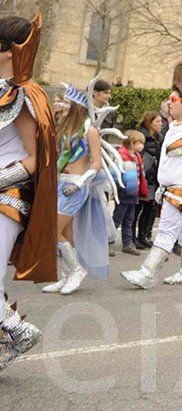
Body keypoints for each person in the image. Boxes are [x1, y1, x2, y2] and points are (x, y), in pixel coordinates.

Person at [0, 13, 57, 369]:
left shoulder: (23, 94)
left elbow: (36, 159)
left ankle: (15, 329)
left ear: (9, 52)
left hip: (9, 198)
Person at [120, 86, 182, 289]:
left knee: (165, 232)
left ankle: (147, 273)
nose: (169, 102)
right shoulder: (174, 128)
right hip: (171, 189)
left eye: (173, 99)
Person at [44, 83, 108, 295]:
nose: (63, 105)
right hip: (60, 183)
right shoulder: (63, 128)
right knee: (65, 233)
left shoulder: (90, 130)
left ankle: (76, 269)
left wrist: (79, 184)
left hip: (76, 186)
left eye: (68, 103)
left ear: (78, 107)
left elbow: (96, 163)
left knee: (52, 229)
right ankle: (66, 277)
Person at [113, 130, 146, 255]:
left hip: (133, 193)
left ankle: (127, 243)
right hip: (124, 192)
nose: (142, 146)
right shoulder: (121, 156)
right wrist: (121, 186)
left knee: (129, 219)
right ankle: (108, 241)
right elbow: (115, 173)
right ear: (132, 143)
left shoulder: (137, 157)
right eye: (140, 143)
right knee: (117, 218)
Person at [135, 110, 164, 249]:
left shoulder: (160, 138)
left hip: (155, 179)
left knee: (150, 209)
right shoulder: (142, 136)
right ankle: (132, 238)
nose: (161, 124)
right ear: (149, 122)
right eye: (157, 121)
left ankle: (144, 236)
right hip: (143, 177)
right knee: (137, 209)